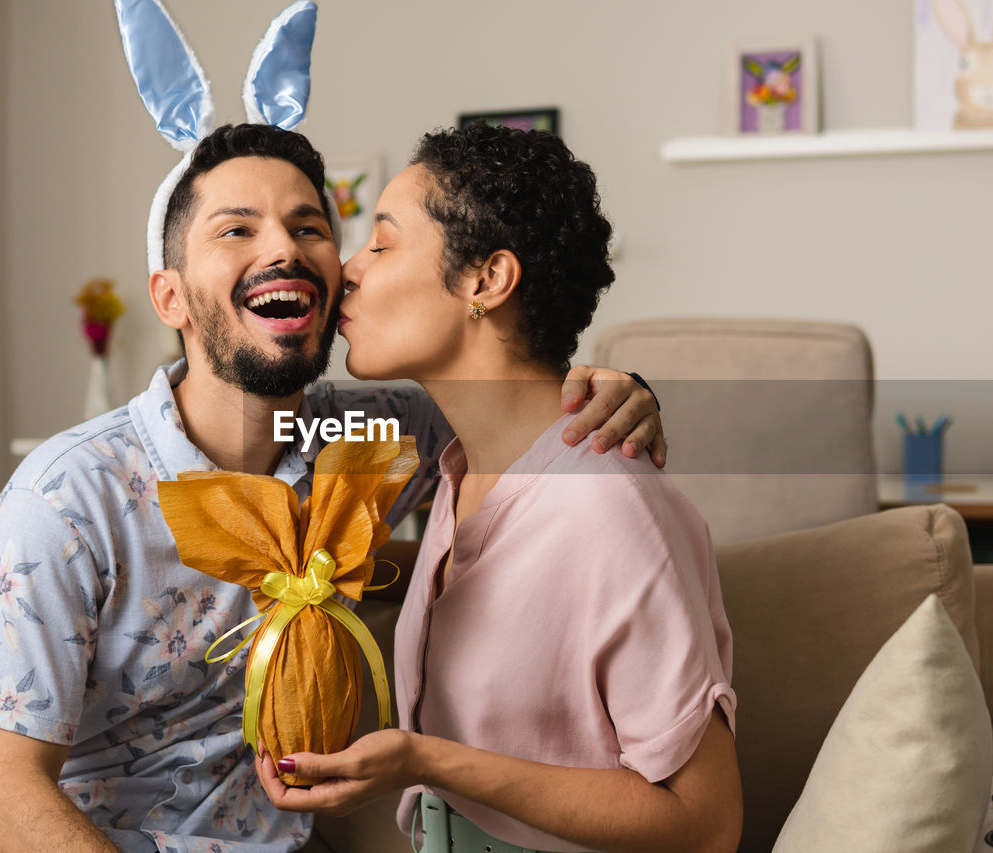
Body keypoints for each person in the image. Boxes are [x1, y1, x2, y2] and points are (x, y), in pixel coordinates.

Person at [0, 124, 665, 853]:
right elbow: (6, 789)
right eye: (236, 230)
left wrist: (620, 386)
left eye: (310, 225)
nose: (283, 247)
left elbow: (510, 398)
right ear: (171, 297)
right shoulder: (69, 496)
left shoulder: (374, 436)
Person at [254, 124, 741, 853]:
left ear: (486, 280)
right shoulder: (452, 467)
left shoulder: (608, 506)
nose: (348, 270)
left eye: (382, 244)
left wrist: (423, 758)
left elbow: (706, 826)